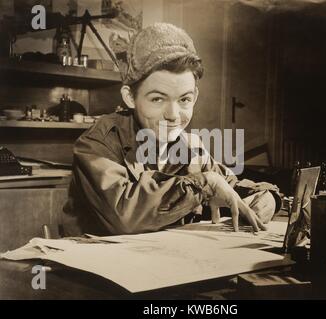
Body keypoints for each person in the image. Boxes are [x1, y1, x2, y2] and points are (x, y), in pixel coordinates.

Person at [63, 23, 281, 236]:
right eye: (157, 99)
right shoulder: (98, 143)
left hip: (165, 266)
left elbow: (231, 184)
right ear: (130, 97)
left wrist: (266, 198)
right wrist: (204, 184)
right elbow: (125, 217)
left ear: (194, 97)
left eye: (184, 99)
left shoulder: (190, 148)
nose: (174, 115)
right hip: (96, 268)